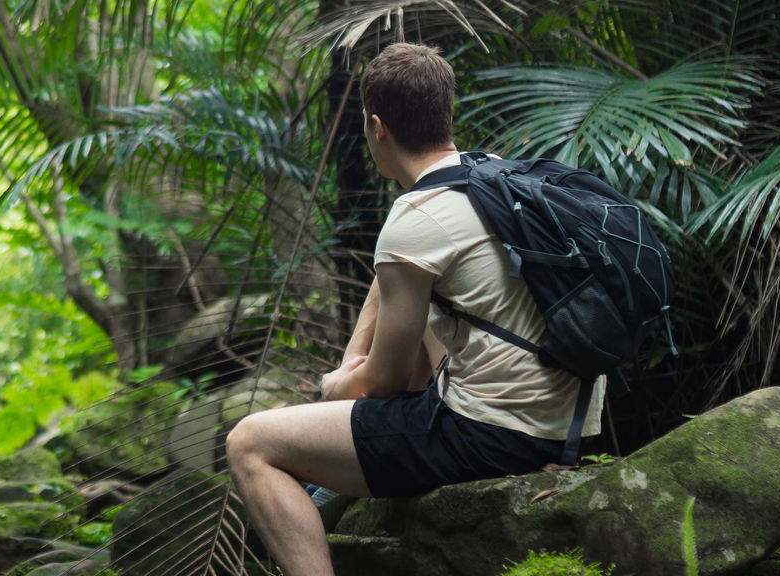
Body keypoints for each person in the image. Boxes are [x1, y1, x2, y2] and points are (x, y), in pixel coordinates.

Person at [224, 43, 607, 576]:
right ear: (444, 112)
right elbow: (399, 276)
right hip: (569, 422)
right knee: (416, 287)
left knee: (250, 442)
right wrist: (355, 357)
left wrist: (339, 386)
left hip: (495, 435)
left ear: (377, 127)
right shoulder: (495, 175)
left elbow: (383, 384)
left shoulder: (418, 218)